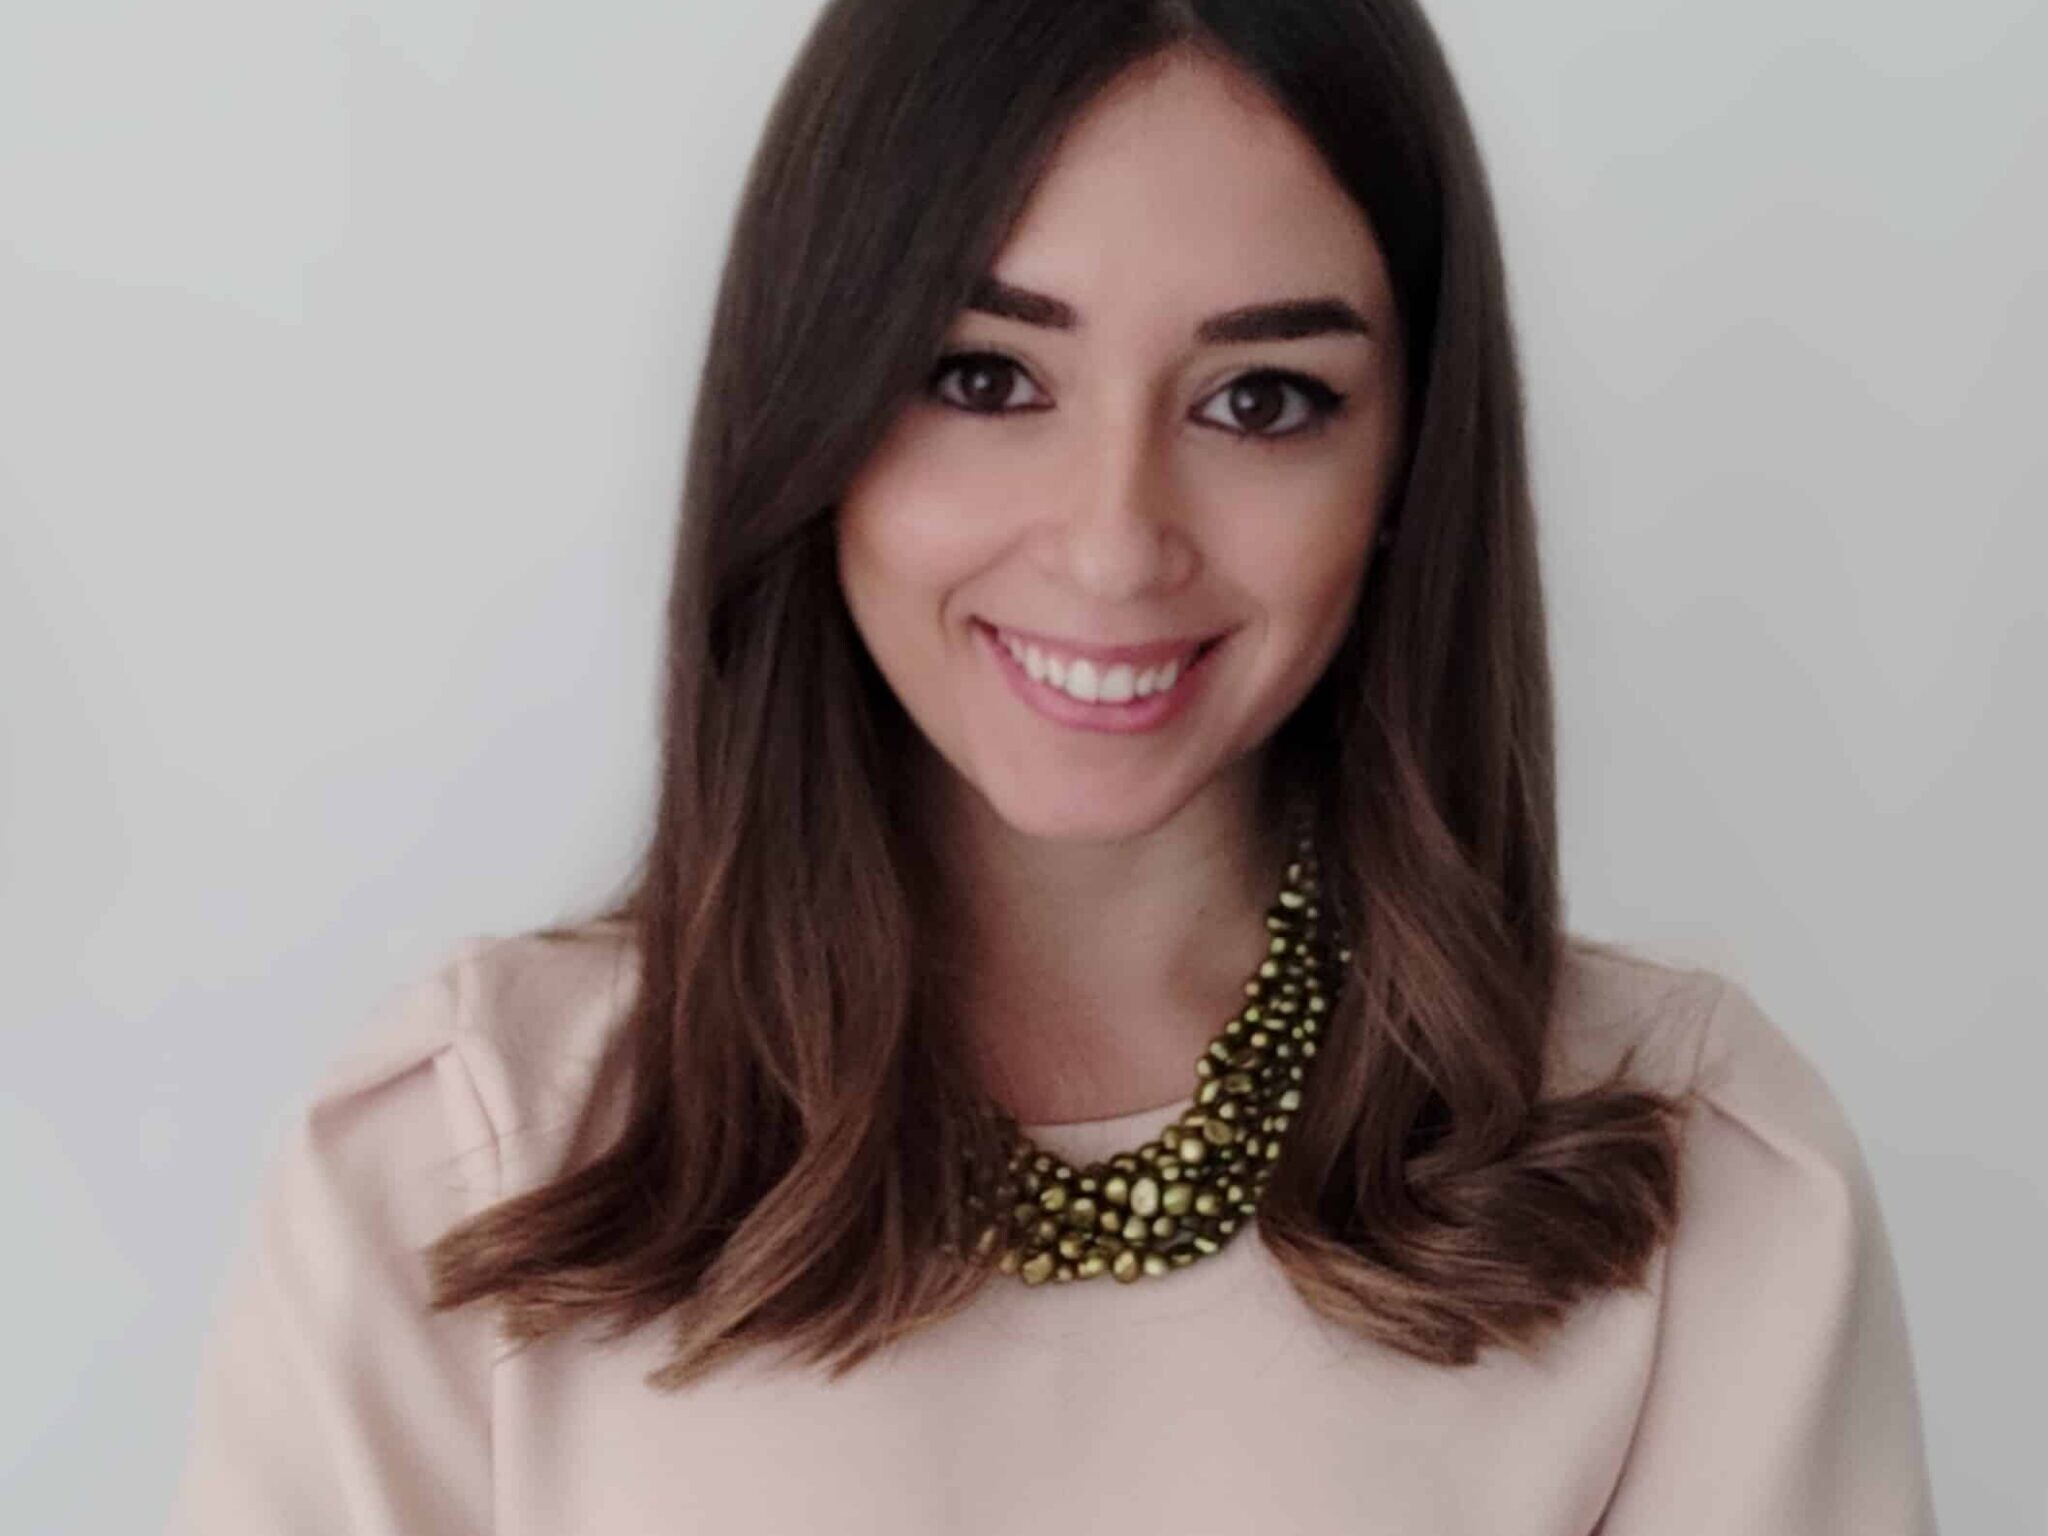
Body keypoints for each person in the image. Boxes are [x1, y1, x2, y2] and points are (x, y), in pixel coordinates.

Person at [167, 1, 1939, 1531]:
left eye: (1261, 400)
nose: (1112, 545)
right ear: (813, 410)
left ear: (1410, 464)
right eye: (984, 377)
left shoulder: (1690, 1181)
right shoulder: (466, 1164)